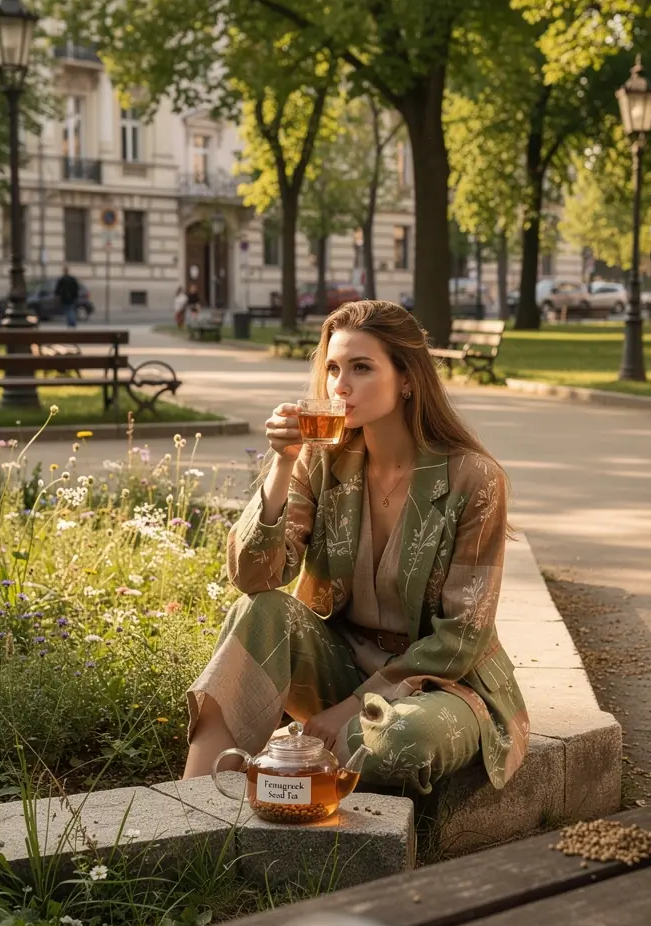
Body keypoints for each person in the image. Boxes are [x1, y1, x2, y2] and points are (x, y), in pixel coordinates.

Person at [183, 300, 529, 794]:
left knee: (398, 741)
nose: (339, 386)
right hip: (340, 664)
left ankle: (291, 766)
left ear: (407, 379)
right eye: (332, 368)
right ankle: (192, 809)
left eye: (361, 368)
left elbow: (461, 640)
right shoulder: (321, 462)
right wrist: (283, 464)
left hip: (441, 687)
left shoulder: (473, 479)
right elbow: (253, 576)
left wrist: (352, 707)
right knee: (254, 611)